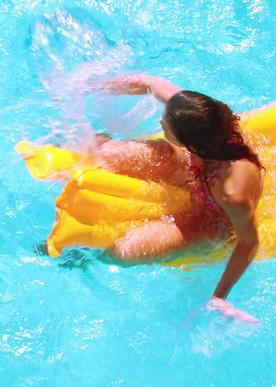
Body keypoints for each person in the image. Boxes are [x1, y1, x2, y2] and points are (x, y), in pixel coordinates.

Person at [92, 73, 263, 323]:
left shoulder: (230, 192)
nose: (160, 122)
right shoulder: (203, 120)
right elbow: (148, 82)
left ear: (187, 141)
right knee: (104, 153)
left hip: (209, 217)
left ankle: (70, 257)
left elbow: (249, 241)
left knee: (122, 252)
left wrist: (219, 297)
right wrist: (98, 85)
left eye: (164, 127)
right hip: (192, 166)